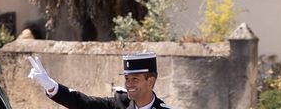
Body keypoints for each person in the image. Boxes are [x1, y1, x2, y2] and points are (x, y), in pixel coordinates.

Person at [28, 52, 175, 109]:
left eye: (135, 79)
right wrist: (51, 86)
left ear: (150, 81)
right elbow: (83, 102)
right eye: (127, 79)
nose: (129, 84)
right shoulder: (119, 104)